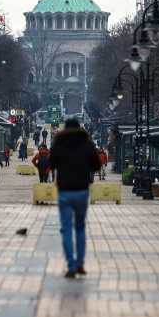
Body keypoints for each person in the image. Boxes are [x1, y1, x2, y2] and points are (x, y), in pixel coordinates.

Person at [48, 119, 101, 279]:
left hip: (65, 191)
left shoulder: (59, 144)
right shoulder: (87, 144)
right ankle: (80, 265)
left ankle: (71, 265)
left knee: (66, 229)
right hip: (81, 191)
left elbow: (52, 164)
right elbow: (96, 166)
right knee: (79, 228)